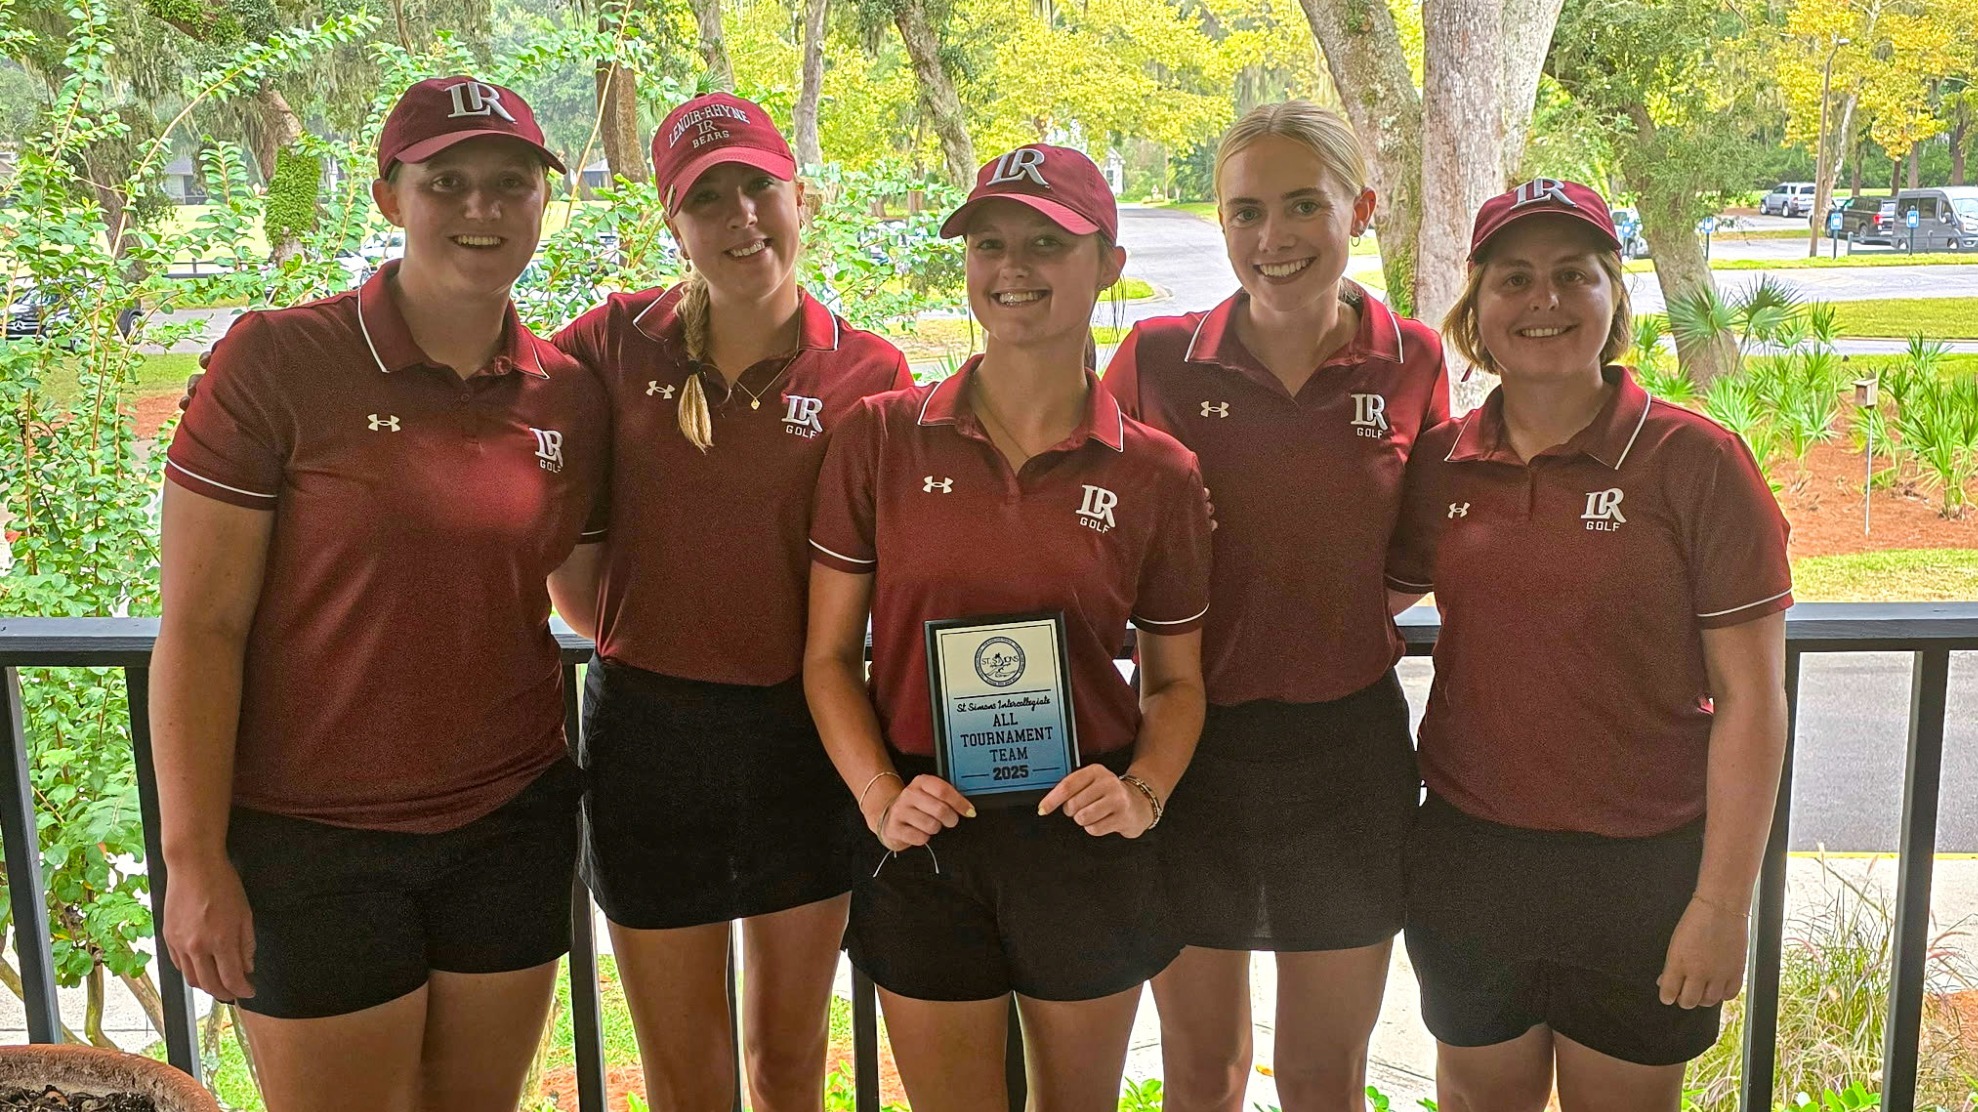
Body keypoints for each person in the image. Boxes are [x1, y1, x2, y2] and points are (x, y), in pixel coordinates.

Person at [151, 77, 606, 1112]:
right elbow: (203, 627)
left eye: (511, 182)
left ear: (545, 199)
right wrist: (193, 857)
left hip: (509, 820)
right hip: (311, 840)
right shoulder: (278, 358)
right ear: (389, 197)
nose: (482, 207)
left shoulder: (569, 395)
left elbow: (586, 593)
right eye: (446, 182)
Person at [802, 144, 1215, 1112]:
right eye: (989, 243)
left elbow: (1176, 683)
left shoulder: (1158, 473)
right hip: (924, 823)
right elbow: (826, 659)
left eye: (1047, 243)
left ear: (1108, 264)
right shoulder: (879, 438)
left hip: (1080, 826)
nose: (1012, 267)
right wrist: (878, 796)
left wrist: (1143, 792)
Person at [1386, 178, 1792, 1112]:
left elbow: (1753, 702)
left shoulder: (1697, 461)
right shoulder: (1442, 463)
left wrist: (1722, 905)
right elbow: (1353, 600)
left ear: (1614, 297)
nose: (1545, 301)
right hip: (1471, 857)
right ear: (1477, 311)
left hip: (1643, 870)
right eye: (1515, 279)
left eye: (1574, 275)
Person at [547, 92, 913, 1112]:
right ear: (674, 223)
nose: (740, 215)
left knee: (788, 1063)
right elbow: (489, 415)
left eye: (758, 186)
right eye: (707, 197)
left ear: (801, 197)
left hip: (806, 739)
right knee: (687, 1078)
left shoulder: (871, 371)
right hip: (649, 742)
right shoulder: (613, 342)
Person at [1101, 101, 1449, 1110]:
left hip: (1346, 755)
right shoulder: (1156, 359)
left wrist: (1321, 609)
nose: (1273, 236)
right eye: (1246, 211)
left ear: (1361, 210)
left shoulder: (1413, 358)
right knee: (1202, 1070)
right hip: (1185, 750)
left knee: (1320, 1075)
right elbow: (1093, 532)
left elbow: (1417, 549)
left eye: (1304, 205)